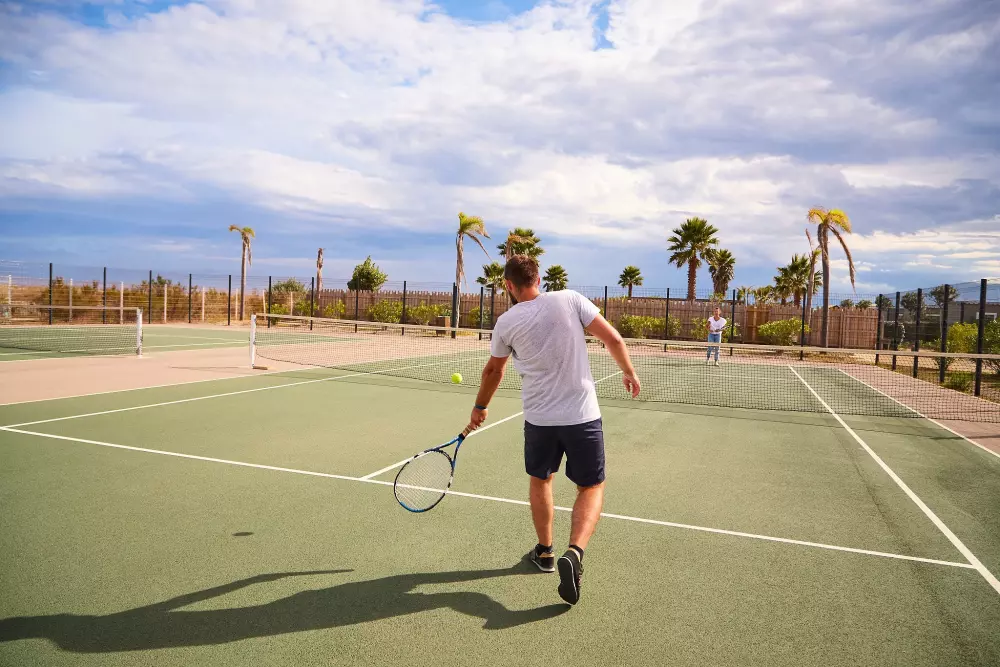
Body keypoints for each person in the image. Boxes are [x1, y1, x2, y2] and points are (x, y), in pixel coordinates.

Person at [468, 255, 640, 606]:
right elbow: (613, 339)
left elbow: (493, 372)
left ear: (509, 286)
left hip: (540, 420)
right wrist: (628, 371)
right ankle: (574, 552)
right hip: (582, 417)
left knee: (541, 480)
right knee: (591, 486)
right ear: (539, 278)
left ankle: (545, 552)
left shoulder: (505, 323)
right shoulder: (571, 299)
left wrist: (480, 407)